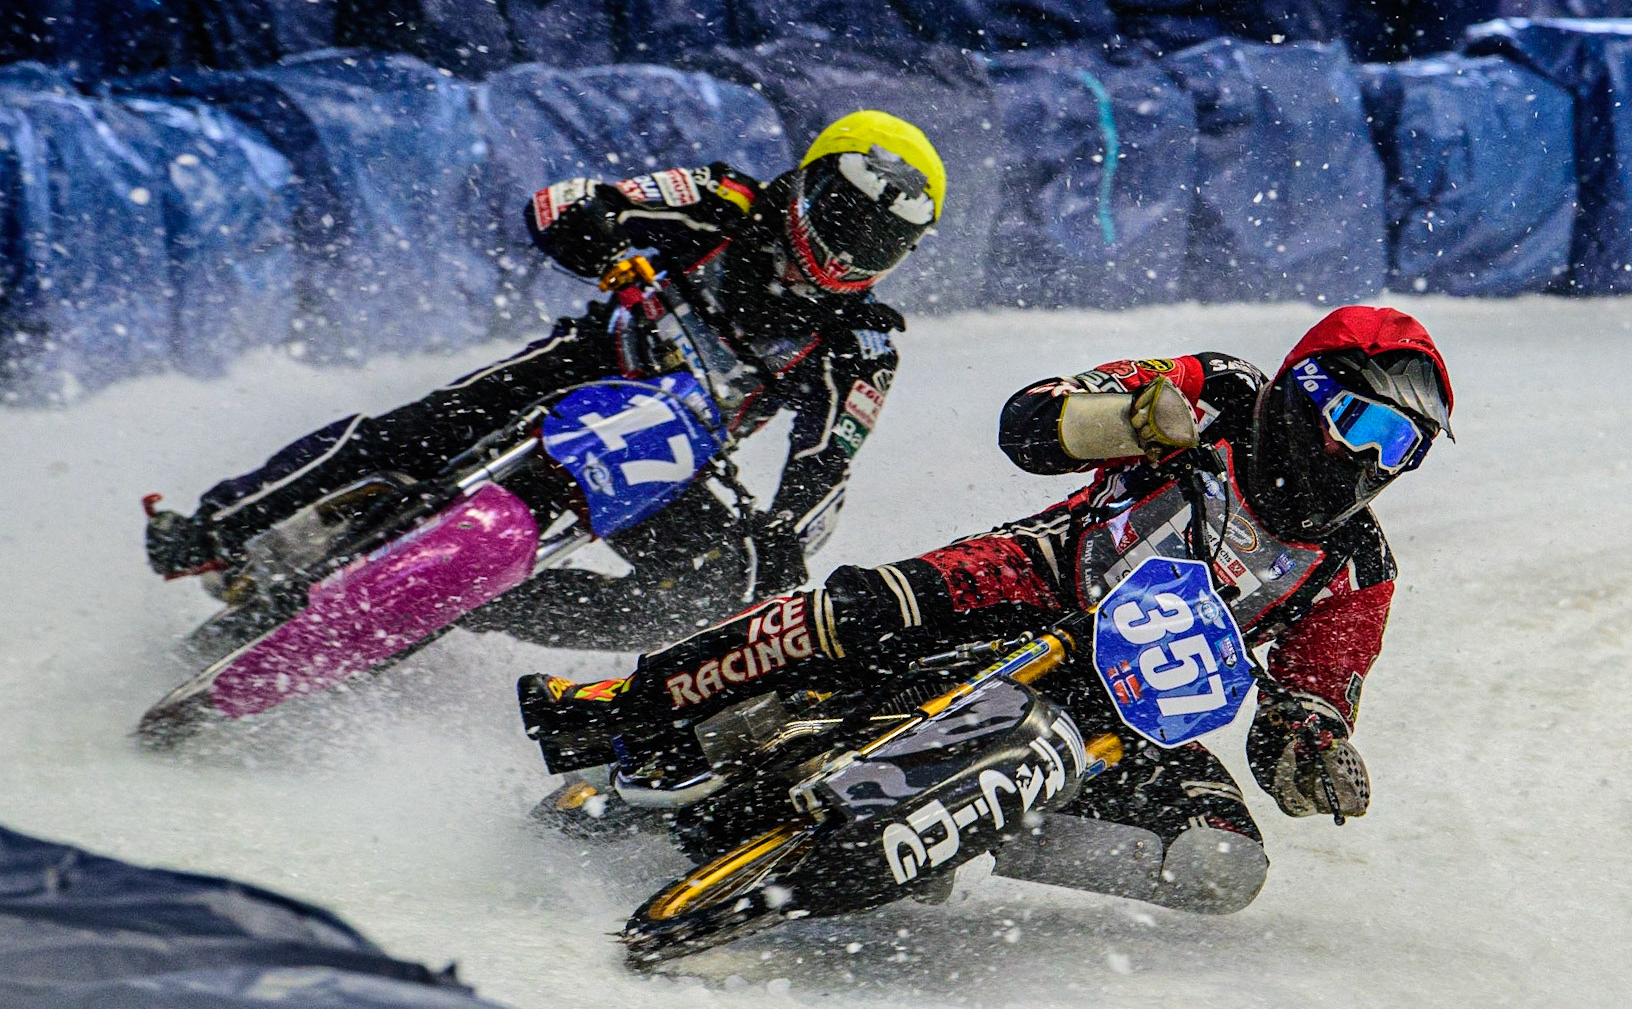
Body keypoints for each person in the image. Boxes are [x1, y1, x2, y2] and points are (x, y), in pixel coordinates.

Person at [519, 305, 1453, 914]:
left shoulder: (1359, 565)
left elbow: (1312, 694)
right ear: (1307, 389)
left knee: (1222, 867)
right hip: (1041, 576)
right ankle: (629, 703)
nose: (1373, 462)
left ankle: (982, 836)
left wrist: (1312, 753)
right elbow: (1032, 419)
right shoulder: (1222, 392)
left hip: (1138, 706)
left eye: (1403, 448)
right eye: (1365, 425)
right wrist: (1128, 421)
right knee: (859, 608)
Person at [144, 111, 945, 647]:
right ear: (807, 184)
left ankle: (479, 601)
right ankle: (212, 531)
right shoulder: (720, 199)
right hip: (591, 362)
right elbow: (565, 203)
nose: (849, 251)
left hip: (667, 454)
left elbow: (826, 464)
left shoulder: (864, 345)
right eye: (844, 219)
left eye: (880, 241)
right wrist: (606, 246)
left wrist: (779, 536)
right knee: (405, 433)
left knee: (707, 595)